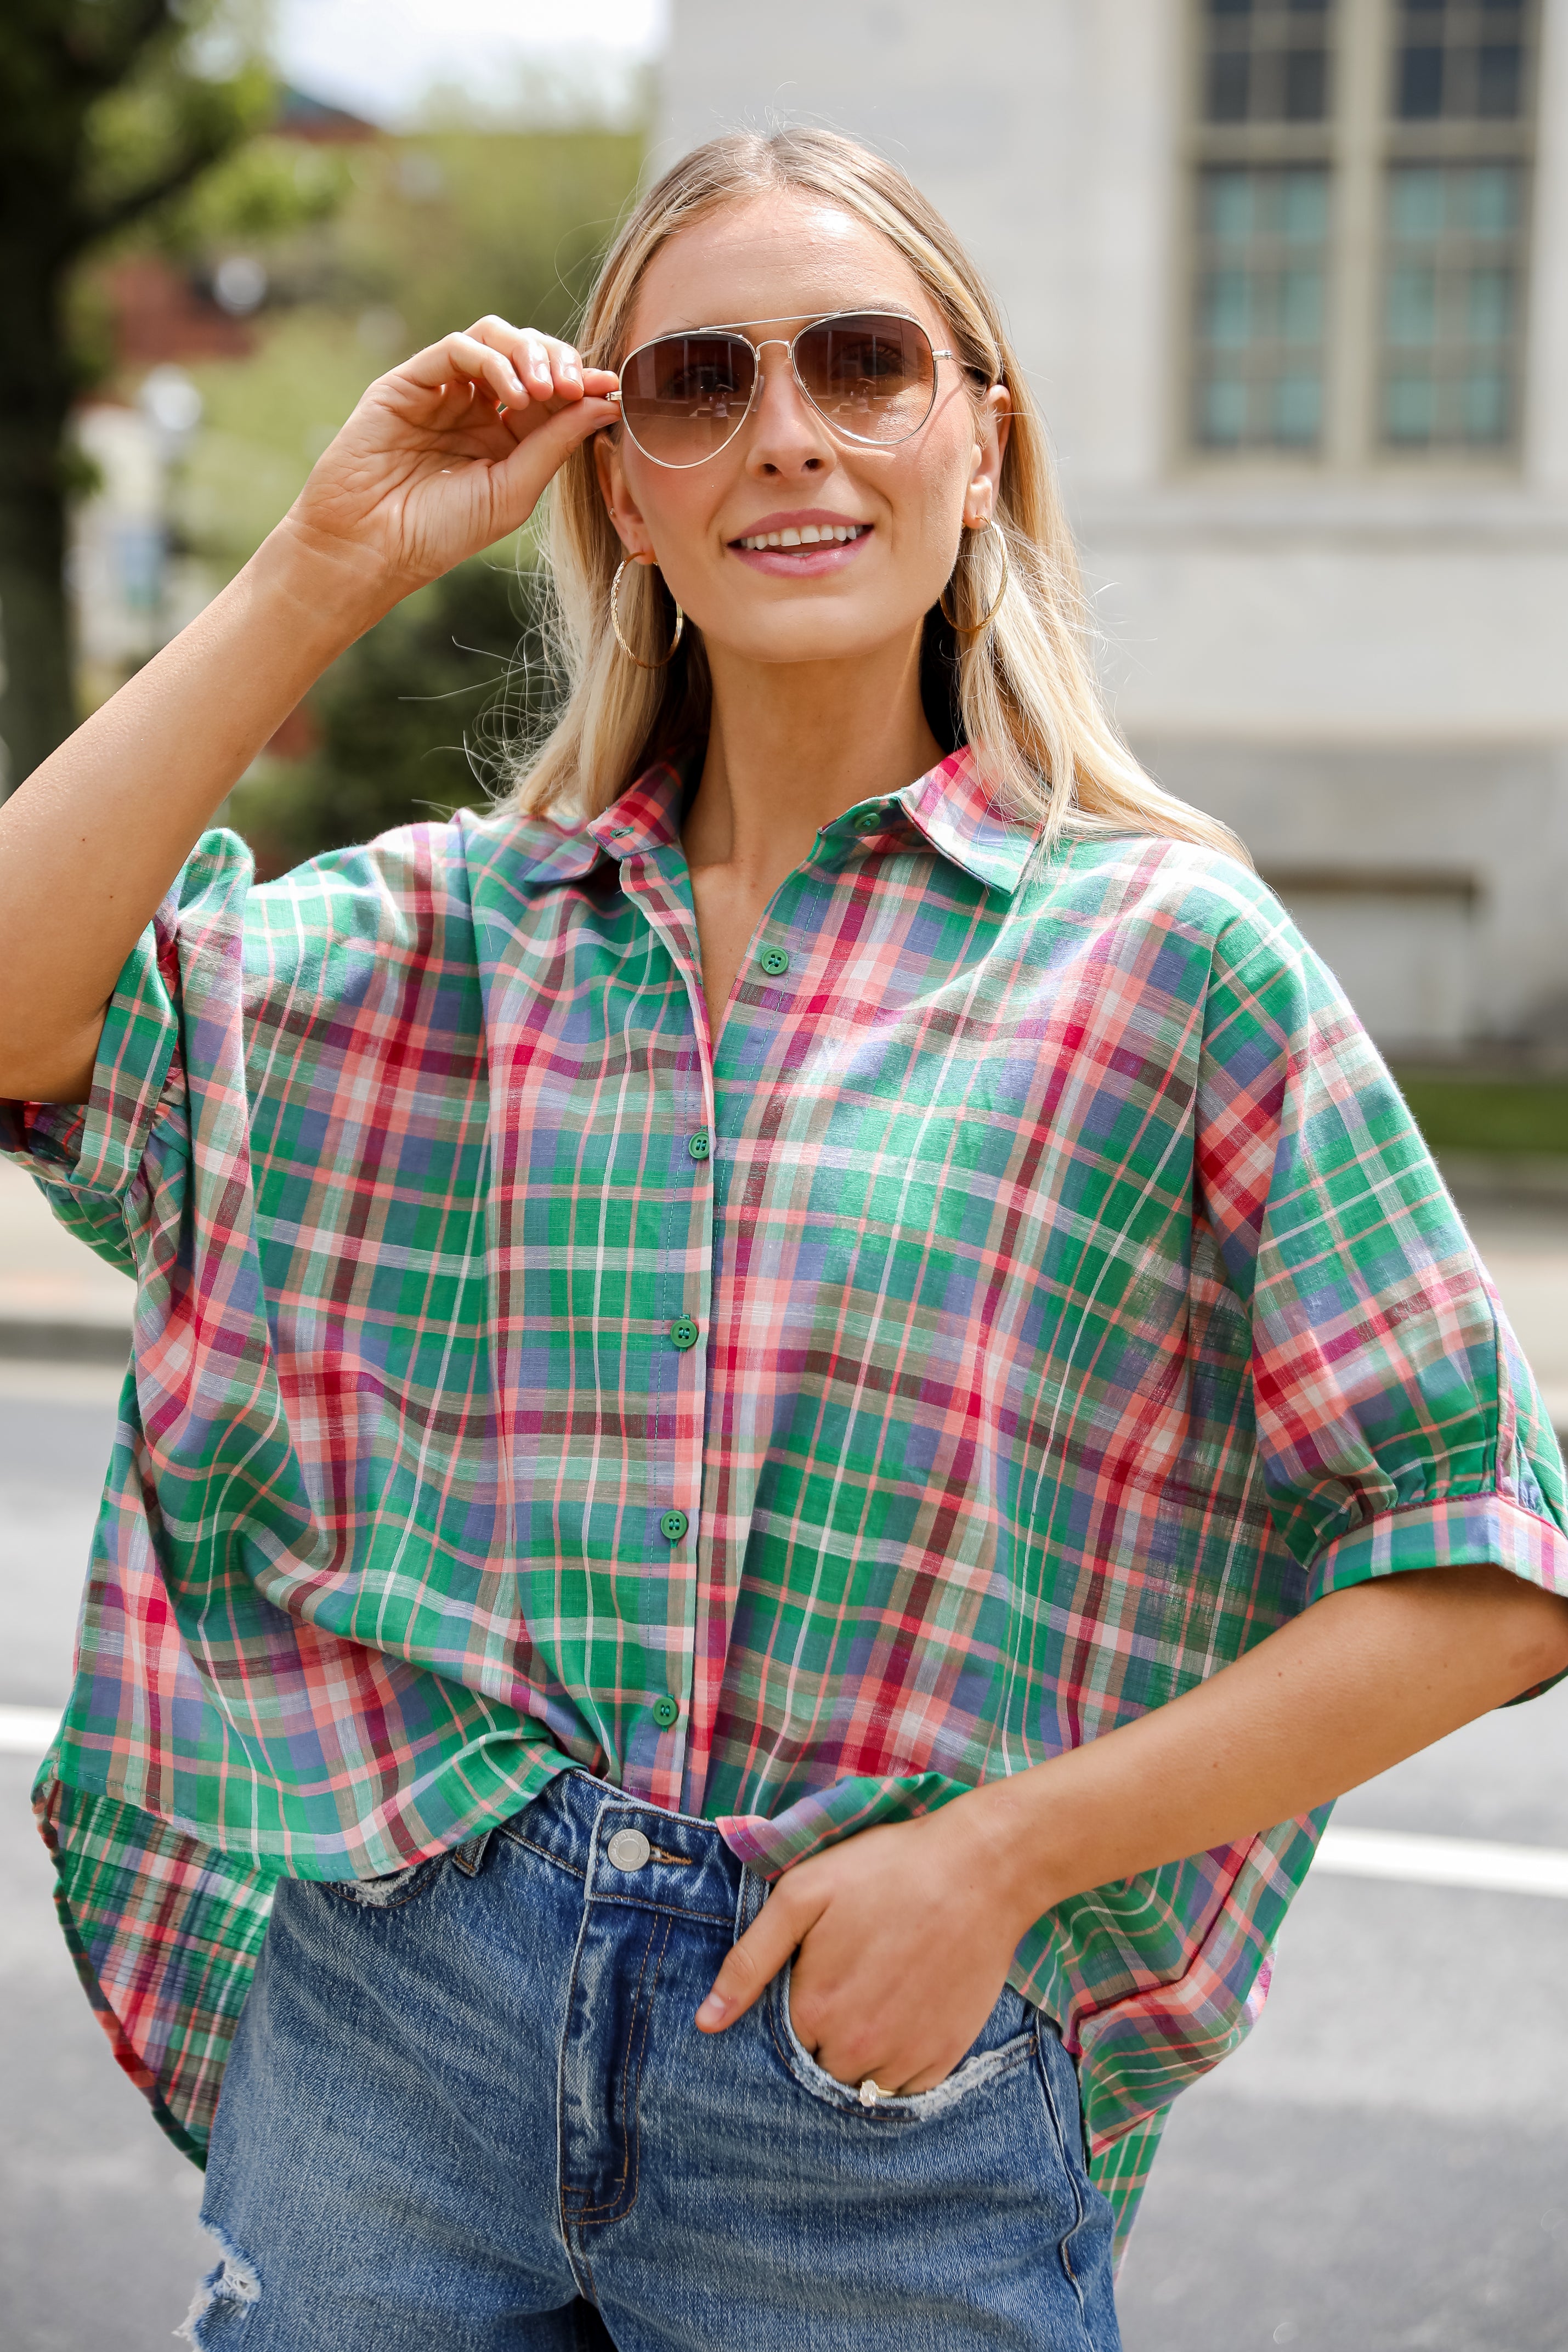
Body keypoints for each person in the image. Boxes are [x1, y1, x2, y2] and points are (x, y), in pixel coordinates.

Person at [2, 127, 1564, 2352]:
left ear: (973, 438)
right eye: (697, 384)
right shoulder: (444, 938)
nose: (789, 434)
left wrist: (994, 1863)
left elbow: (1488, 1571)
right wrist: (318, 567)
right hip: (400, 2030)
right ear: (621, 482)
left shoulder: (1159, 956)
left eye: (860, 362)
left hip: (870, 2087)